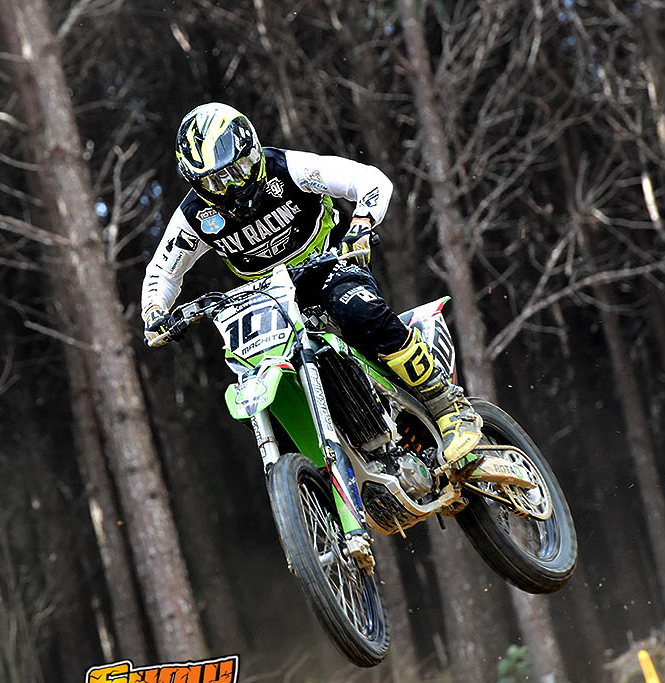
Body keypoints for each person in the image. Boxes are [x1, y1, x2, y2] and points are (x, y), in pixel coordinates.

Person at [141, 102, 482, 466]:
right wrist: (155, 312)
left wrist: (361, 223)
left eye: (236, 171)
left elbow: (368, 180)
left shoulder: (290, 168)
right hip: (267, 302)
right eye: (213, 181)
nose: (229, 187)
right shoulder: (194, 215)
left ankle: (448, 406)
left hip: (330, 267)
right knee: (257, 384)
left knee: (357, 311)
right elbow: (163, 271)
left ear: (252, 151)